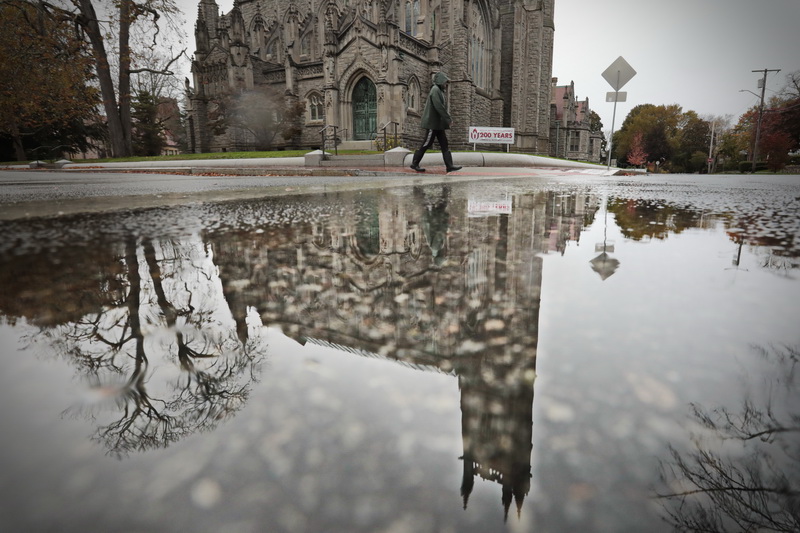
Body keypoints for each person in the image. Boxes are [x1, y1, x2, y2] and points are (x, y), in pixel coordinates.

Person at [410, 72, 462, 173]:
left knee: (444, 144)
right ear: (440, 81)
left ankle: (449, 166)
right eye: (445, 82)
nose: (446, 84)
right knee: (426, 143)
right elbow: (439, 107)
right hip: (432, 124)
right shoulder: (435, 90)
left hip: (438, 124)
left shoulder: (440, 91)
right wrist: (448, 119)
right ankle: (414, 163)